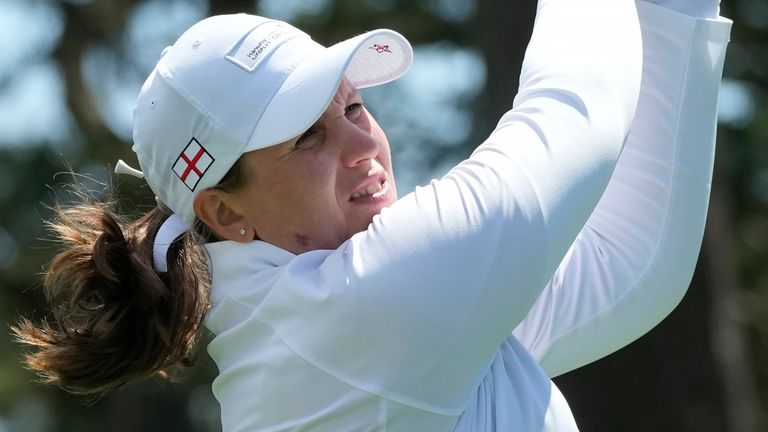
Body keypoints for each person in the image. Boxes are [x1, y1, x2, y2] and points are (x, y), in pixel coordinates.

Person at [14, 0, 731, 429]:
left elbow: (629, 264)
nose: (363, 146)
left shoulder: (324, 318)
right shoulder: (362, 308)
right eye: (308, 137)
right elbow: (580, 112)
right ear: (226, 212)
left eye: (354, 106)